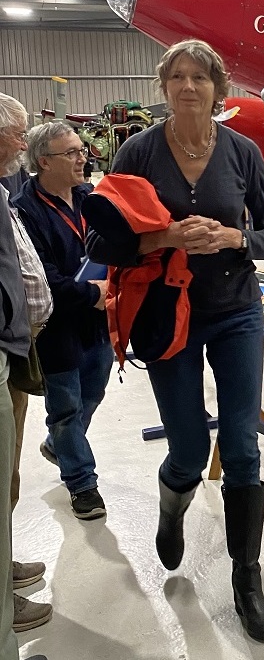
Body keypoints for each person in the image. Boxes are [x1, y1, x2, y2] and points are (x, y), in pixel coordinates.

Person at [86, 40, 264, 643]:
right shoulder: (138, 152)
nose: (189, 86)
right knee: (191, 450)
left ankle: (247, 582)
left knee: (244, 444)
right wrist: (166, 236)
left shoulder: (244, 153)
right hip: (166, 316)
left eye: (201, 77)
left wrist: (232, 239)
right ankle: (171, 508)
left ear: (218, 88)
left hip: (236, 312)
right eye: (178, 76)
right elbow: (101, 247)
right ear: (164, 86)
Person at [12, 122, 113, 521]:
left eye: (80, 149)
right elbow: (42, 276)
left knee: (94, 392)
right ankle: (82, 484)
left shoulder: (92, 197)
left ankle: (58, 445)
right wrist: (93, 295)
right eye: (70, 153)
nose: (82, 157)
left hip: (98, 321)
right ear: (43, 162)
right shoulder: (24, 210)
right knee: (67, 406)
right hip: (57, 326)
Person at [0, 95, 54, 634]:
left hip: (16, 350)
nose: (22, 143)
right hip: (5, 349)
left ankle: (4, 565)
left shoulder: (3, 191)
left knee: (8, 475)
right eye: (17, 136)